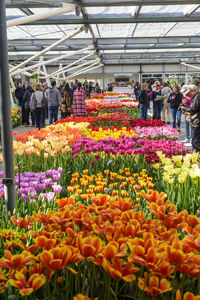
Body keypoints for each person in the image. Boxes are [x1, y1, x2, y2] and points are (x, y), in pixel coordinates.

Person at [180, 85, 200, 152]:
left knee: (196, 141)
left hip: (197, 121)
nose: (188, 95)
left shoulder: (197, 97)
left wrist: (184, 108)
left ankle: (197, 156)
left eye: (189, 93)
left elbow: (193, 109)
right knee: (195, 140)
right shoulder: (195, 97)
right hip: (196, 120)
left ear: (194, 91)